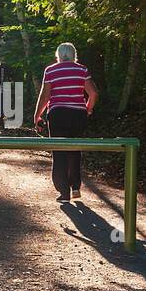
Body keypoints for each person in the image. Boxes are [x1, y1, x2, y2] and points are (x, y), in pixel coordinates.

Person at [34, 42, 98, 202]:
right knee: (75, 149)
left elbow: (45, 96)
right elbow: (94, 93)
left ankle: (64, 192)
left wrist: (37, 116)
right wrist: (88, 109)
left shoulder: (51, 70)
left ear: (58, 55)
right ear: (74, 55)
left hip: (58, 115)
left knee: (59, 151)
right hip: (78, 116)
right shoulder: (82, 70)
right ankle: (75, 187)